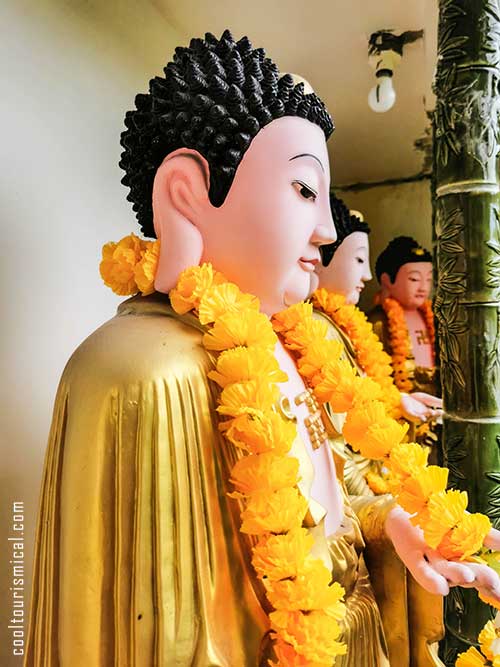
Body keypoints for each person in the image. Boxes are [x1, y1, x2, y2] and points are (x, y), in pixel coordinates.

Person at [25, 31, 500, 667]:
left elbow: (326, 496)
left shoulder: (296, 342)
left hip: (350, 638)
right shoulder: (141, 369)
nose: (328, 229)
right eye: (305, 190)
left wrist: (389, 525)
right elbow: (154, 633)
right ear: (187, 195)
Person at [314, 196, 442, 495]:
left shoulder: (344, 324)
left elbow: (368, 389)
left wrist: (398, 401)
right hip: (354, 468)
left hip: (390, 438)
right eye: (359, 260)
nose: (366, 276)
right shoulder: (322, 329)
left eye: (428, 278)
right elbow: (340, 417)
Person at [368, 236, 440, 454]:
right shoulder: (378, 323)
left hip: (436, 413)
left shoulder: (433, 317)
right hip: (401, 416)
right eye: (414, 279)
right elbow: (372, 374)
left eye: (428, 279)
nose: (423, 288)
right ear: (387, 280)